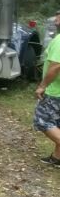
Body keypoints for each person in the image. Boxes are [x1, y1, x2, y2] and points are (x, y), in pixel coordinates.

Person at [34, 10, 60, 165]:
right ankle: (57, 159)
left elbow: (56, 66)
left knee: (42, 120)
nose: (56, 18)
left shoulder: (59, 40)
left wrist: (42, 86)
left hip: (55, 91)